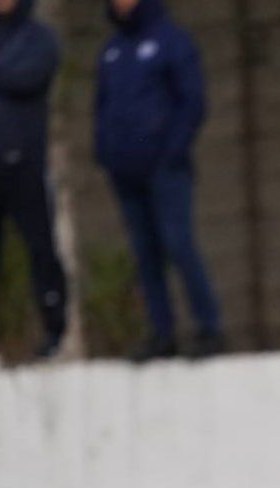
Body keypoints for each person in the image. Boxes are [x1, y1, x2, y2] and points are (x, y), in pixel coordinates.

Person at [95, 0, 222, 361]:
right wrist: (105, 153)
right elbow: (102, 108)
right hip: (125, 172)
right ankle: (161, 333)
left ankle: (209, 327)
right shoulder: (111, 50)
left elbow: (193, 101)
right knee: (144, 253)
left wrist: (170, 150)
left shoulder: (171, 40)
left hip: (166, 169)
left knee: (178, 244)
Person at [0, 0, 67, 358]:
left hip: (25, 164)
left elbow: (25, 77)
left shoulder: (39, 38)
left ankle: (54, 330)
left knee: (41, 249)